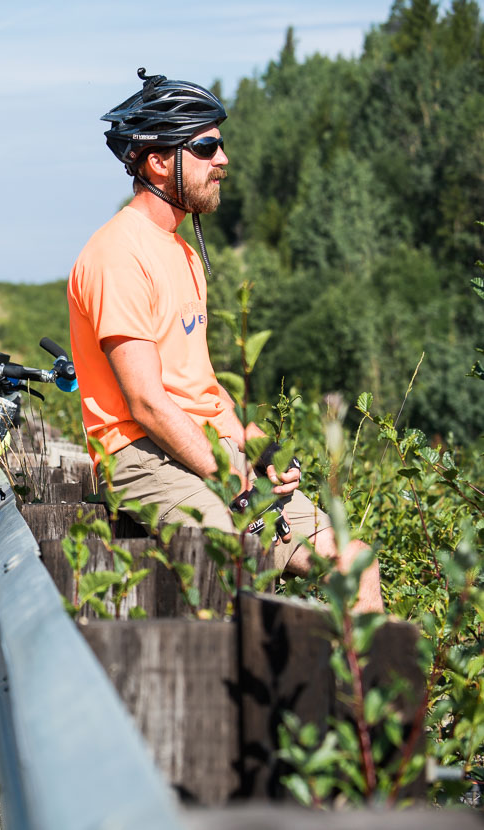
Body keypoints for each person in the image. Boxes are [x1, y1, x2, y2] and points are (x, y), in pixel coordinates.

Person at [66, 69, 383, 613]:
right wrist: (229, 473)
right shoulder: (117, 254)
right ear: (159, 161)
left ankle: (365, 699)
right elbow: (145, 401)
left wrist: (254, 446)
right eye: (206, 145)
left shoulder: (185, 254)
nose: (223, 159)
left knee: (356, 560)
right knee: (238, 562)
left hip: (201, 449)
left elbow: (199, 385)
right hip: (140, 457)